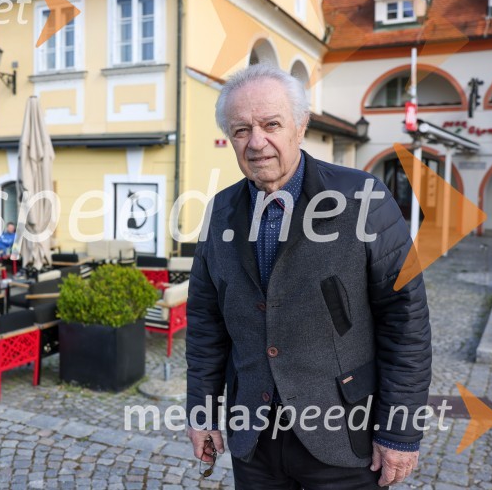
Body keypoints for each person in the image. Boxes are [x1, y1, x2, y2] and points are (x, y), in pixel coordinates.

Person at [185, 64, 432, 489]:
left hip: (344, 436)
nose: (257, 142)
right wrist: (202, 414)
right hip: (255, 438)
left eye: (271, 124)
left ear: (300, 127)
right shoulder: (221, 211)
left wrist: (400, 432)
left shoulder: (363, 198)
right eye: (241, 130)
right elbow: (207, 324)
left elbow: (405, 322)